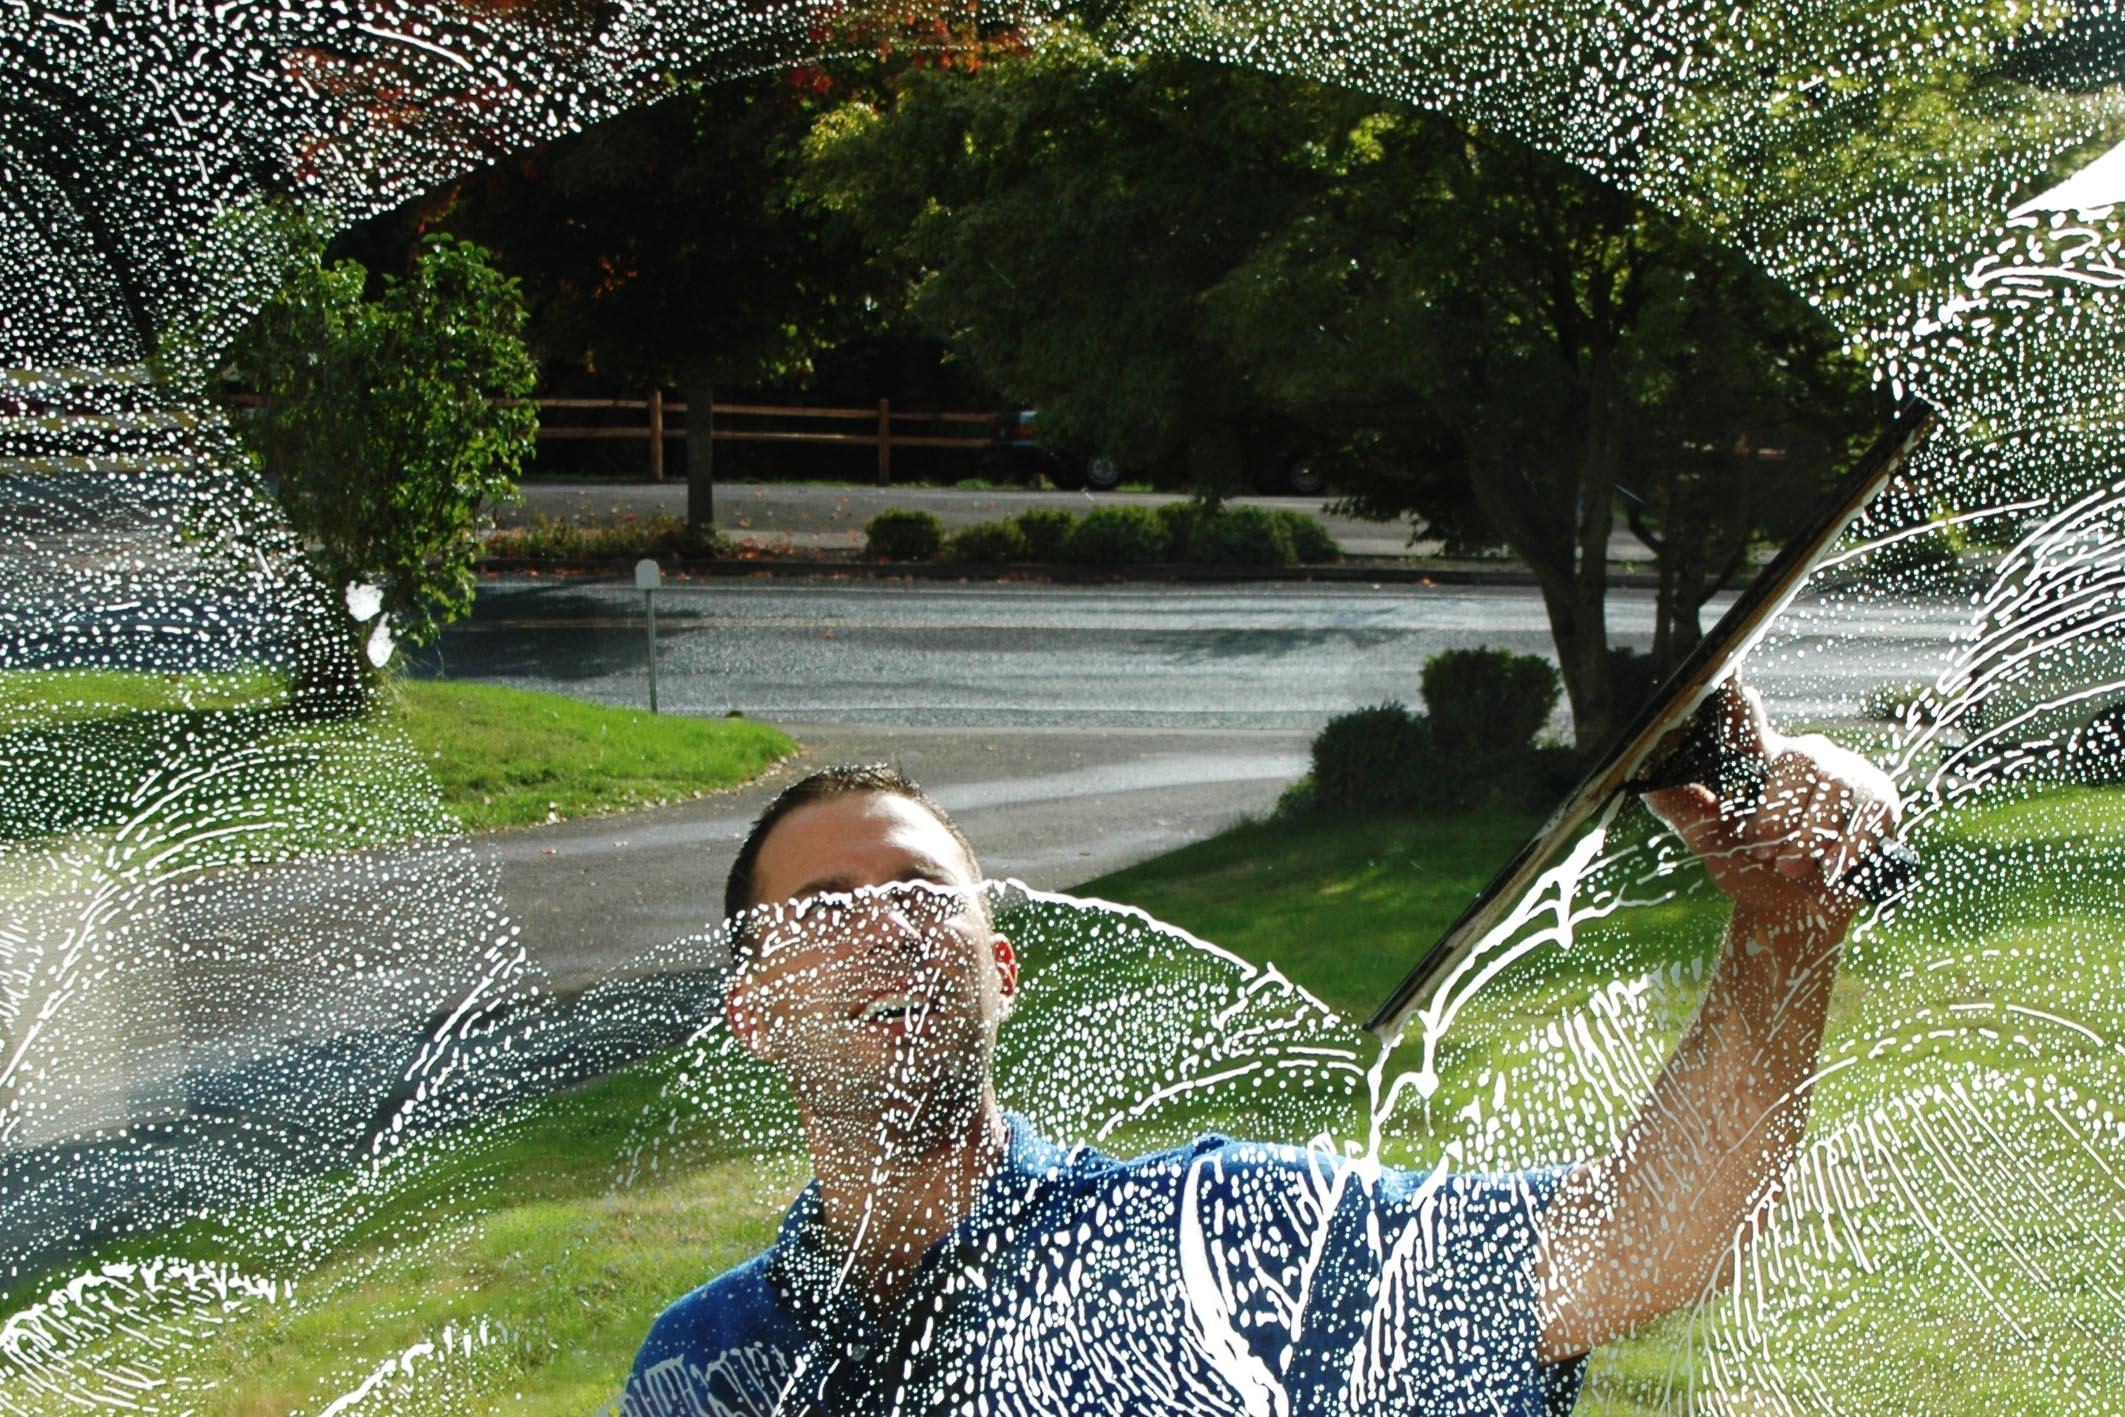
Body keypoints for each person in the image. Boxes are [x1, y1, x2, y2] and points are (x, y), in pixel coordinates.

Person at [623, 690, 1900, 1416]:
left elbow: (1639, 1242)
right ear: (752, 1009)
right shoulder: (696, 1372)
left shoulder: (1222, 1239)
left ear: (997, 970)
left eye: (920, 890)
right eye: (823, 905)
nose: (884, 924)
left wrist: (1785, 926)